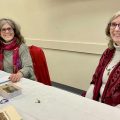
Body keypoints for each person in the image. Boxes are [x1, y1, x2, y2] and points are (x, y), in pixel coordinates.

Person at [85, 11, 120, 107]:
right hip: (97, 104)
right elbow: (95, 80)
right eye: (114, 25)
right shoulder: (108, 53)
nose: (116, 29)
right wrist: (87, 103)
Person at [0, 18, 36, 82]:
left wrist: (19, 74)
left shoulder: (22, 47)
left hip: (24, 80)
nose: (7, 32)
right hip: (6, 80)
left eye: (9, 29)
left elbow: (28, 67)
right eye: (3, 29)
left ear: (14, 31)